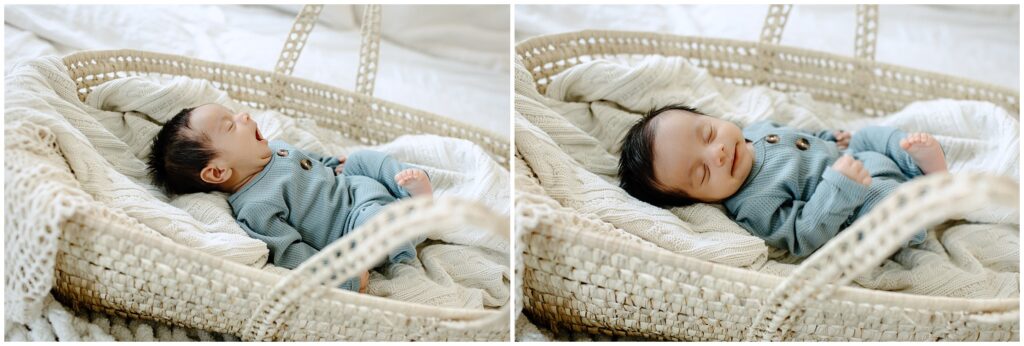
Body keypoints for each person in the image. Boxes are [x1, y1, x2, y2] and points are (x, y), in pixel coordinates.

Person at [148, 103, 433, 292]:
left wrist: (335, 163)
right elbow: (292, 254)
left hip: (353, 186)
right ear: (218, 171)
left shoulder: (277, 148)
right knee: (379, 224)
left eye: (234, 114)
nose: (244, 116)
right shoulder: (255, 206)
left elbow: (315, 162)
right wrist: (344, 277)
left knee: (362, 158)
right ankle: (414, 213)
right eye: (231, 126)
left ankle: (406, 188)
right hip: (351, 225)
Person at [618, 104, 948, 257]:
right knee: (884, 206)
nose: (717, 153)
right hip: (859, 199)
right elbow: (803, 234)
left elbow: (802, 137)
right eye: (702, 173)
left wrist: (830, 137)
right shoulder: (752, 205)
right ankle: (932, 200)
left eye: (708, 133)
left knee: (873, 136)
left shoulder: (758, 130)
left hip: (855, 157)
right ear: (701, 200)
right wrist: (839, 187)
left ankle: (917, 163)